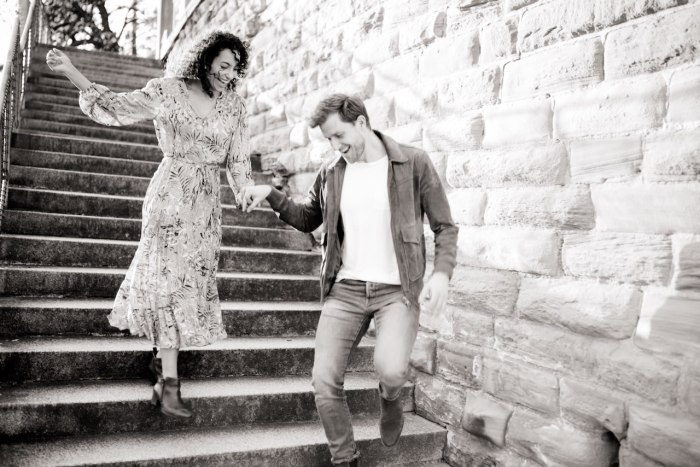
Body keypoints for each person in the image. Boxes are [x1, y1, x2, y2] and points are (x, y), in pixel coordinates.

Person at [240, 94, 458, 466]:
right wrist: (270, 194)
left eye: (339, 135)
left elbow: (445, 226)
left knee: (391, 370)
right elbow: (307, 218)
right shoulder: (332, 171)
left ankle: (390, 397)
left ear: (361, 123)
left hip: (397, 292)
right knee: (324, 380)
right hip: (346, 290)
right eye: (328, 139)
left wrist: (441, 273)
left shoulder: (413, 162)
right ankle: (345, 459)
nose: (335, 146)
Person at [46, 31, 253, 419]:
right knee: (168, 282)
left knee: (188, 284)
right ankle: (170, 384)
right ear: (204, 60)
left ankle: (161, 363)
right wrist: (71, 70)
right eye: (223, 65)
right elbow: (116, 107)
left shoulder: (235, 106)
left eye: (235, 68)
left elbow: (239, 161)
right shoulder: (168, 90)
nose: (228, 74)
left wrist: (245, 191)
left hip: (206, 208)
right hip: (169, 196)